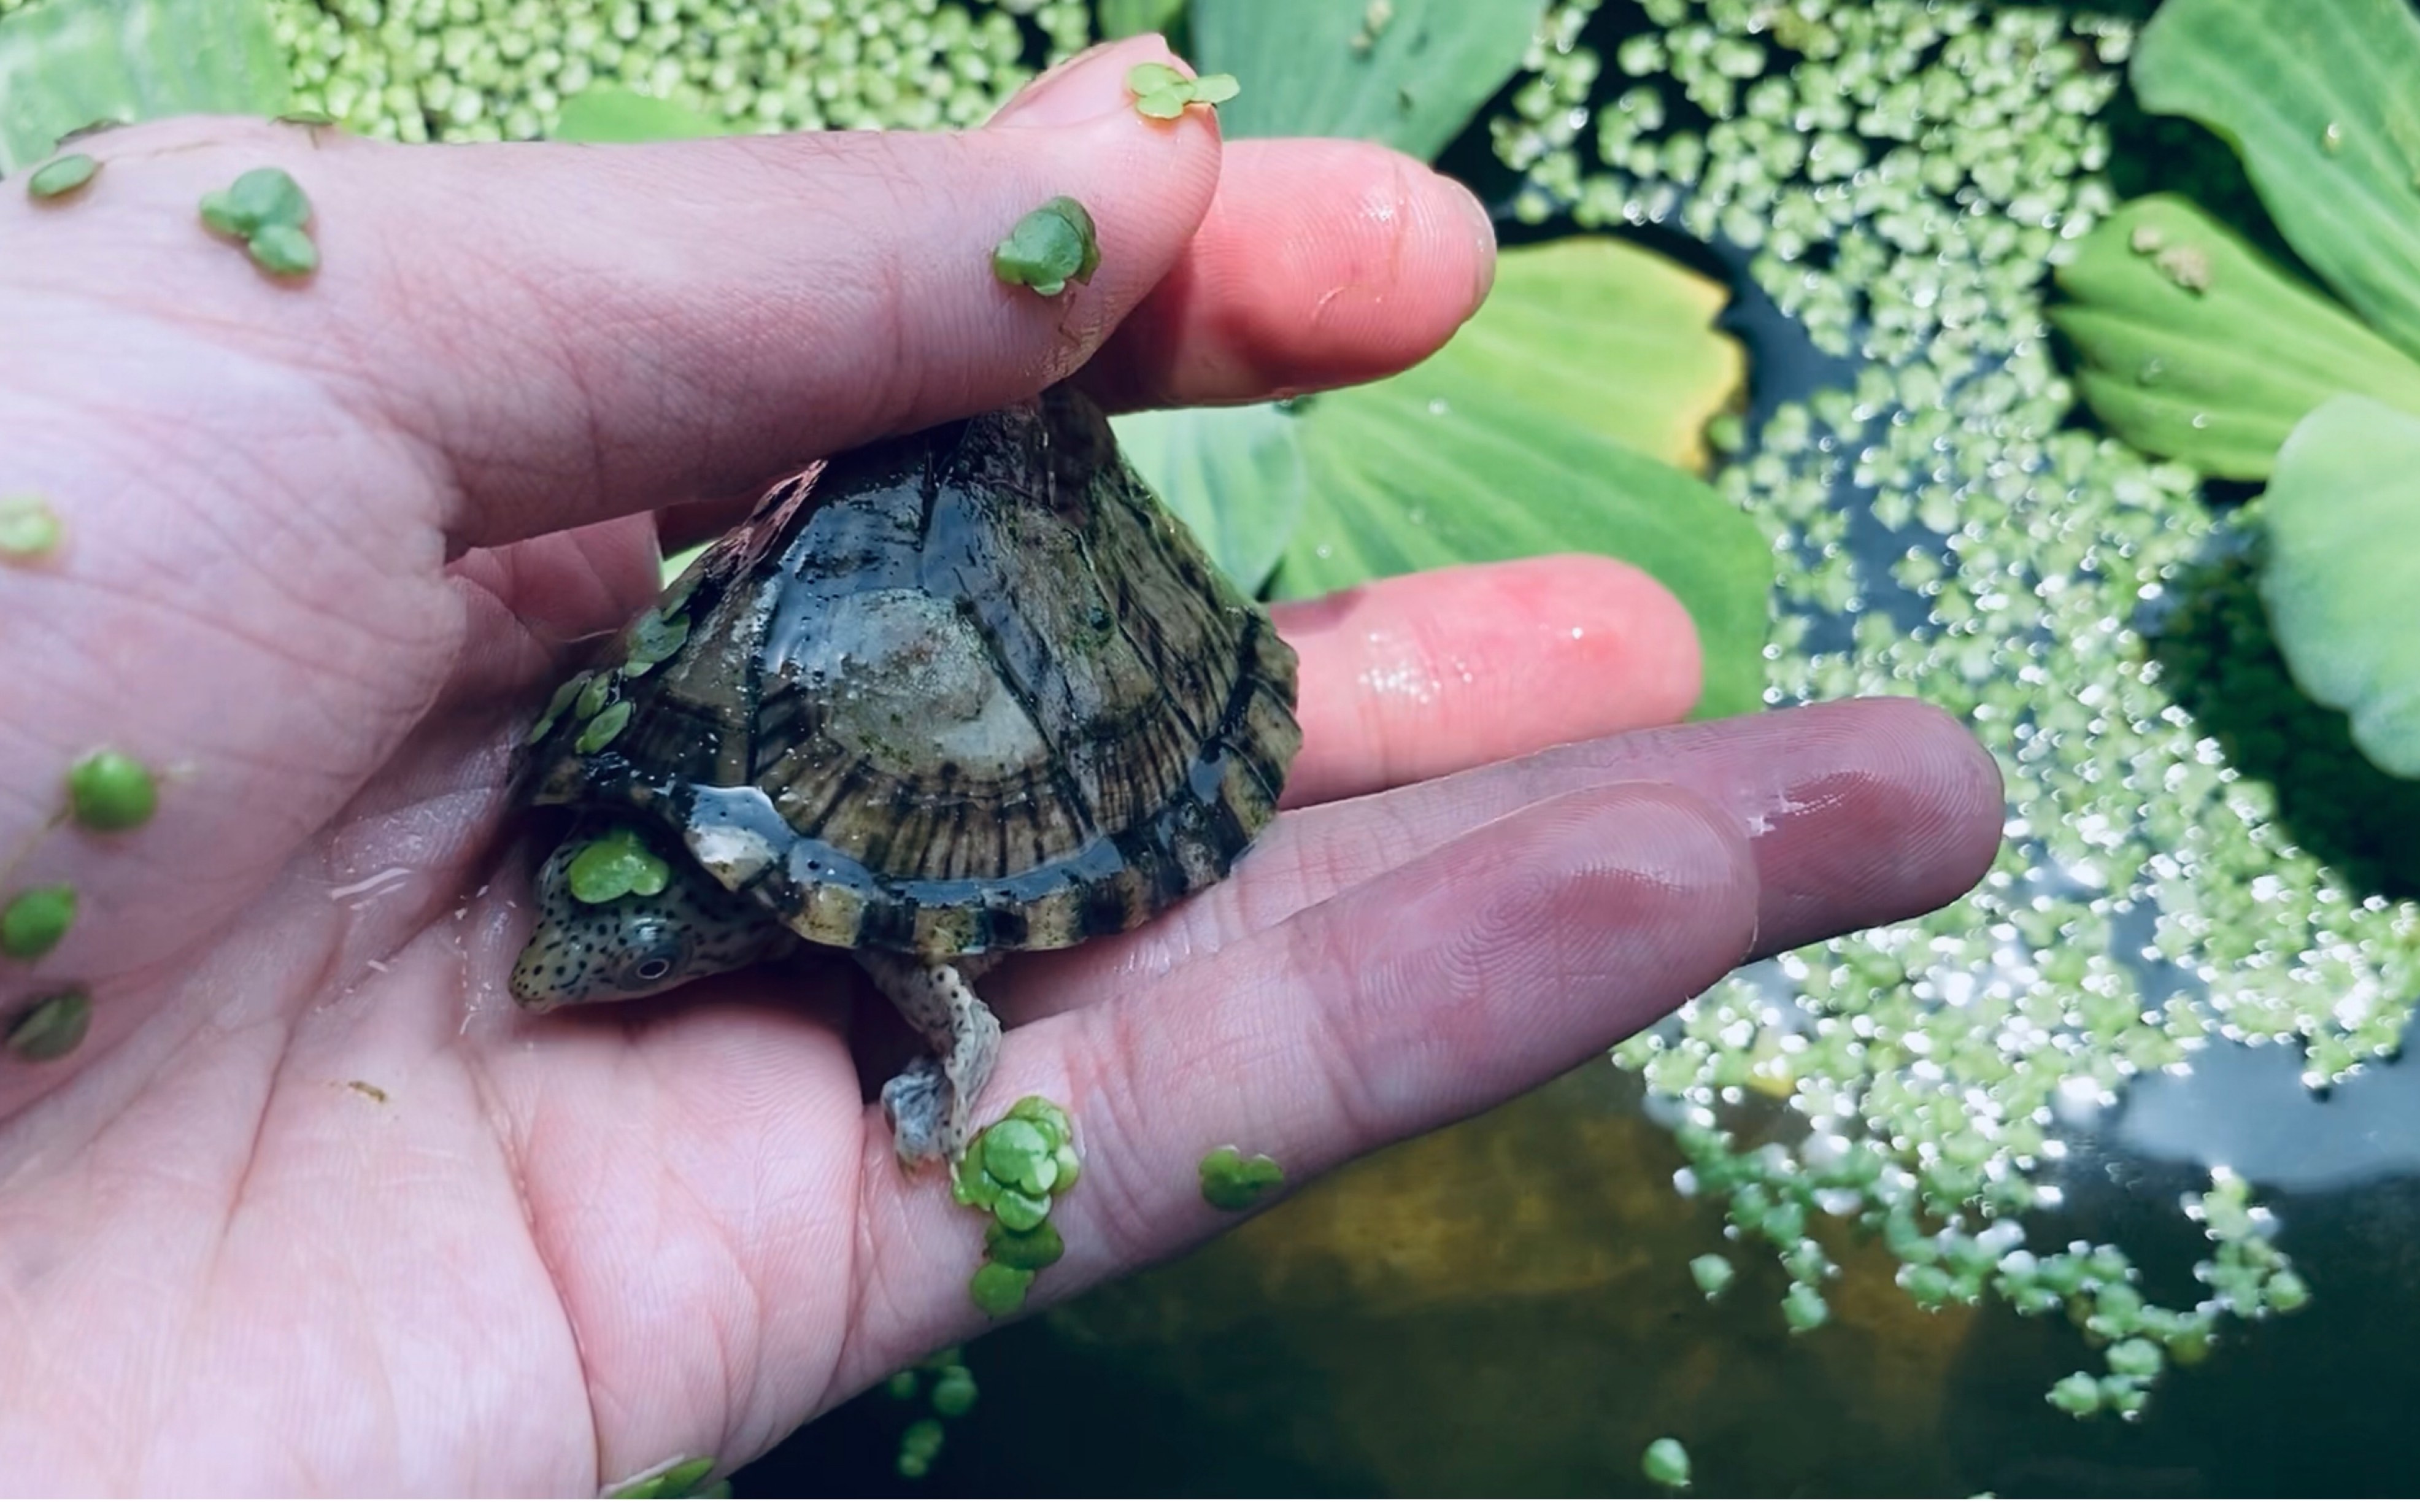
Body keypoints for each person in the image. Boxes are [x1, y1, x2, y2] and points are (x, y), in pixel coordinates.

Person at [0, 36, 2000, 1494]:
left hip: (1038, 613)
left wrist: (948, 1055)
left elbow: (909, 942)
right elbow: (606, 795)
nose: (568, 956)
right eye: (605, 930)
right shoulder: (586, 813)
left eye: (606, 937)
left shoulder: (746, 868)